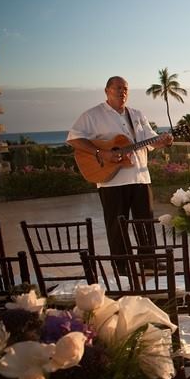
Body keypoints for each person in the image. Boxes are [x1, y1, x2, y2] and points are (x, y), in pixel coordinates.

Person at [67, 76, 173, 259]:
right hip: (111, 181)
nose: (122, 92)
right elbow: (74, 139)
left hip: (140, 178)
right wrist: (101, 153)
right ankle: (123, 267)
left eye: (125, 88)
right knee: (116, 227)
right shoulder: (92, 115)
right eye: (117, 88)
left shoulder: (137, 115)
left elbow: (152, 140)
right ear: (107, 90)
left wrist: (163, 142)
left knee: (145, 223)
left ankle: (149, 263)